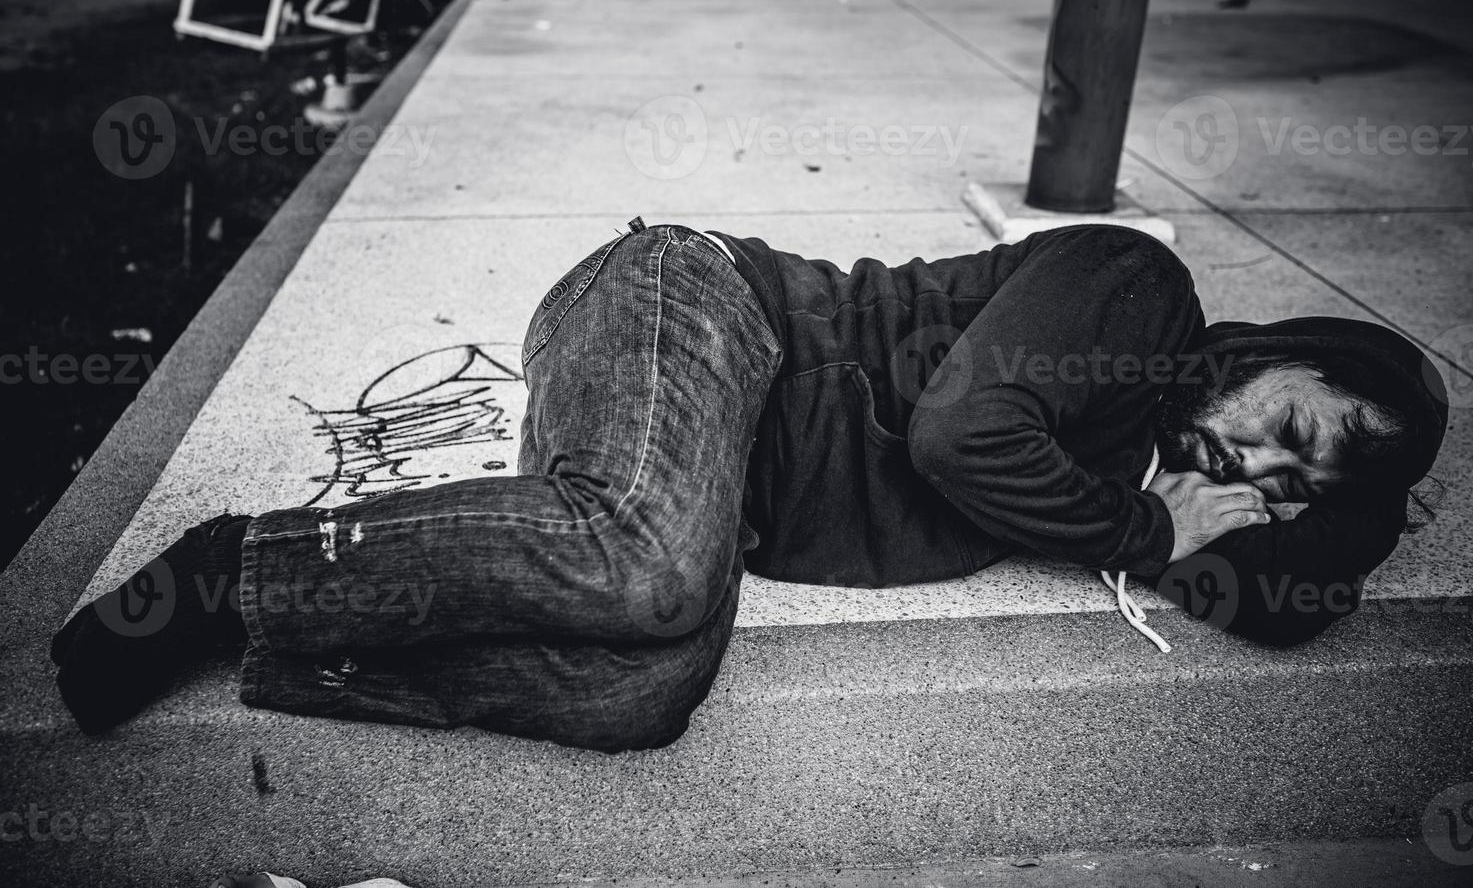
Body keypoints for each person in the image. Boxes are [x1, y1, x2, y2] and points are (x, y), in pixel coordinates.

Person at [50, 219, 1449, 751]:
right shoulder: (1138, 296)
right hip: (696, 307)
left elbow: (1287, 608)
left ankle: (292, 640)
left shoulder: (1152, 480)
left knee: (642, 690)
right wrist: (1151, 532)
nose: (1256, 464)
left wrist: (1294, 530)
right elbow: (965, 434)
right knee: (647, 567)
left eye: (1288, 484)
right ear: (1270, 349)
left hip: (699, 476)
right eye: (1293, 424)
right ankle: (240, 564)